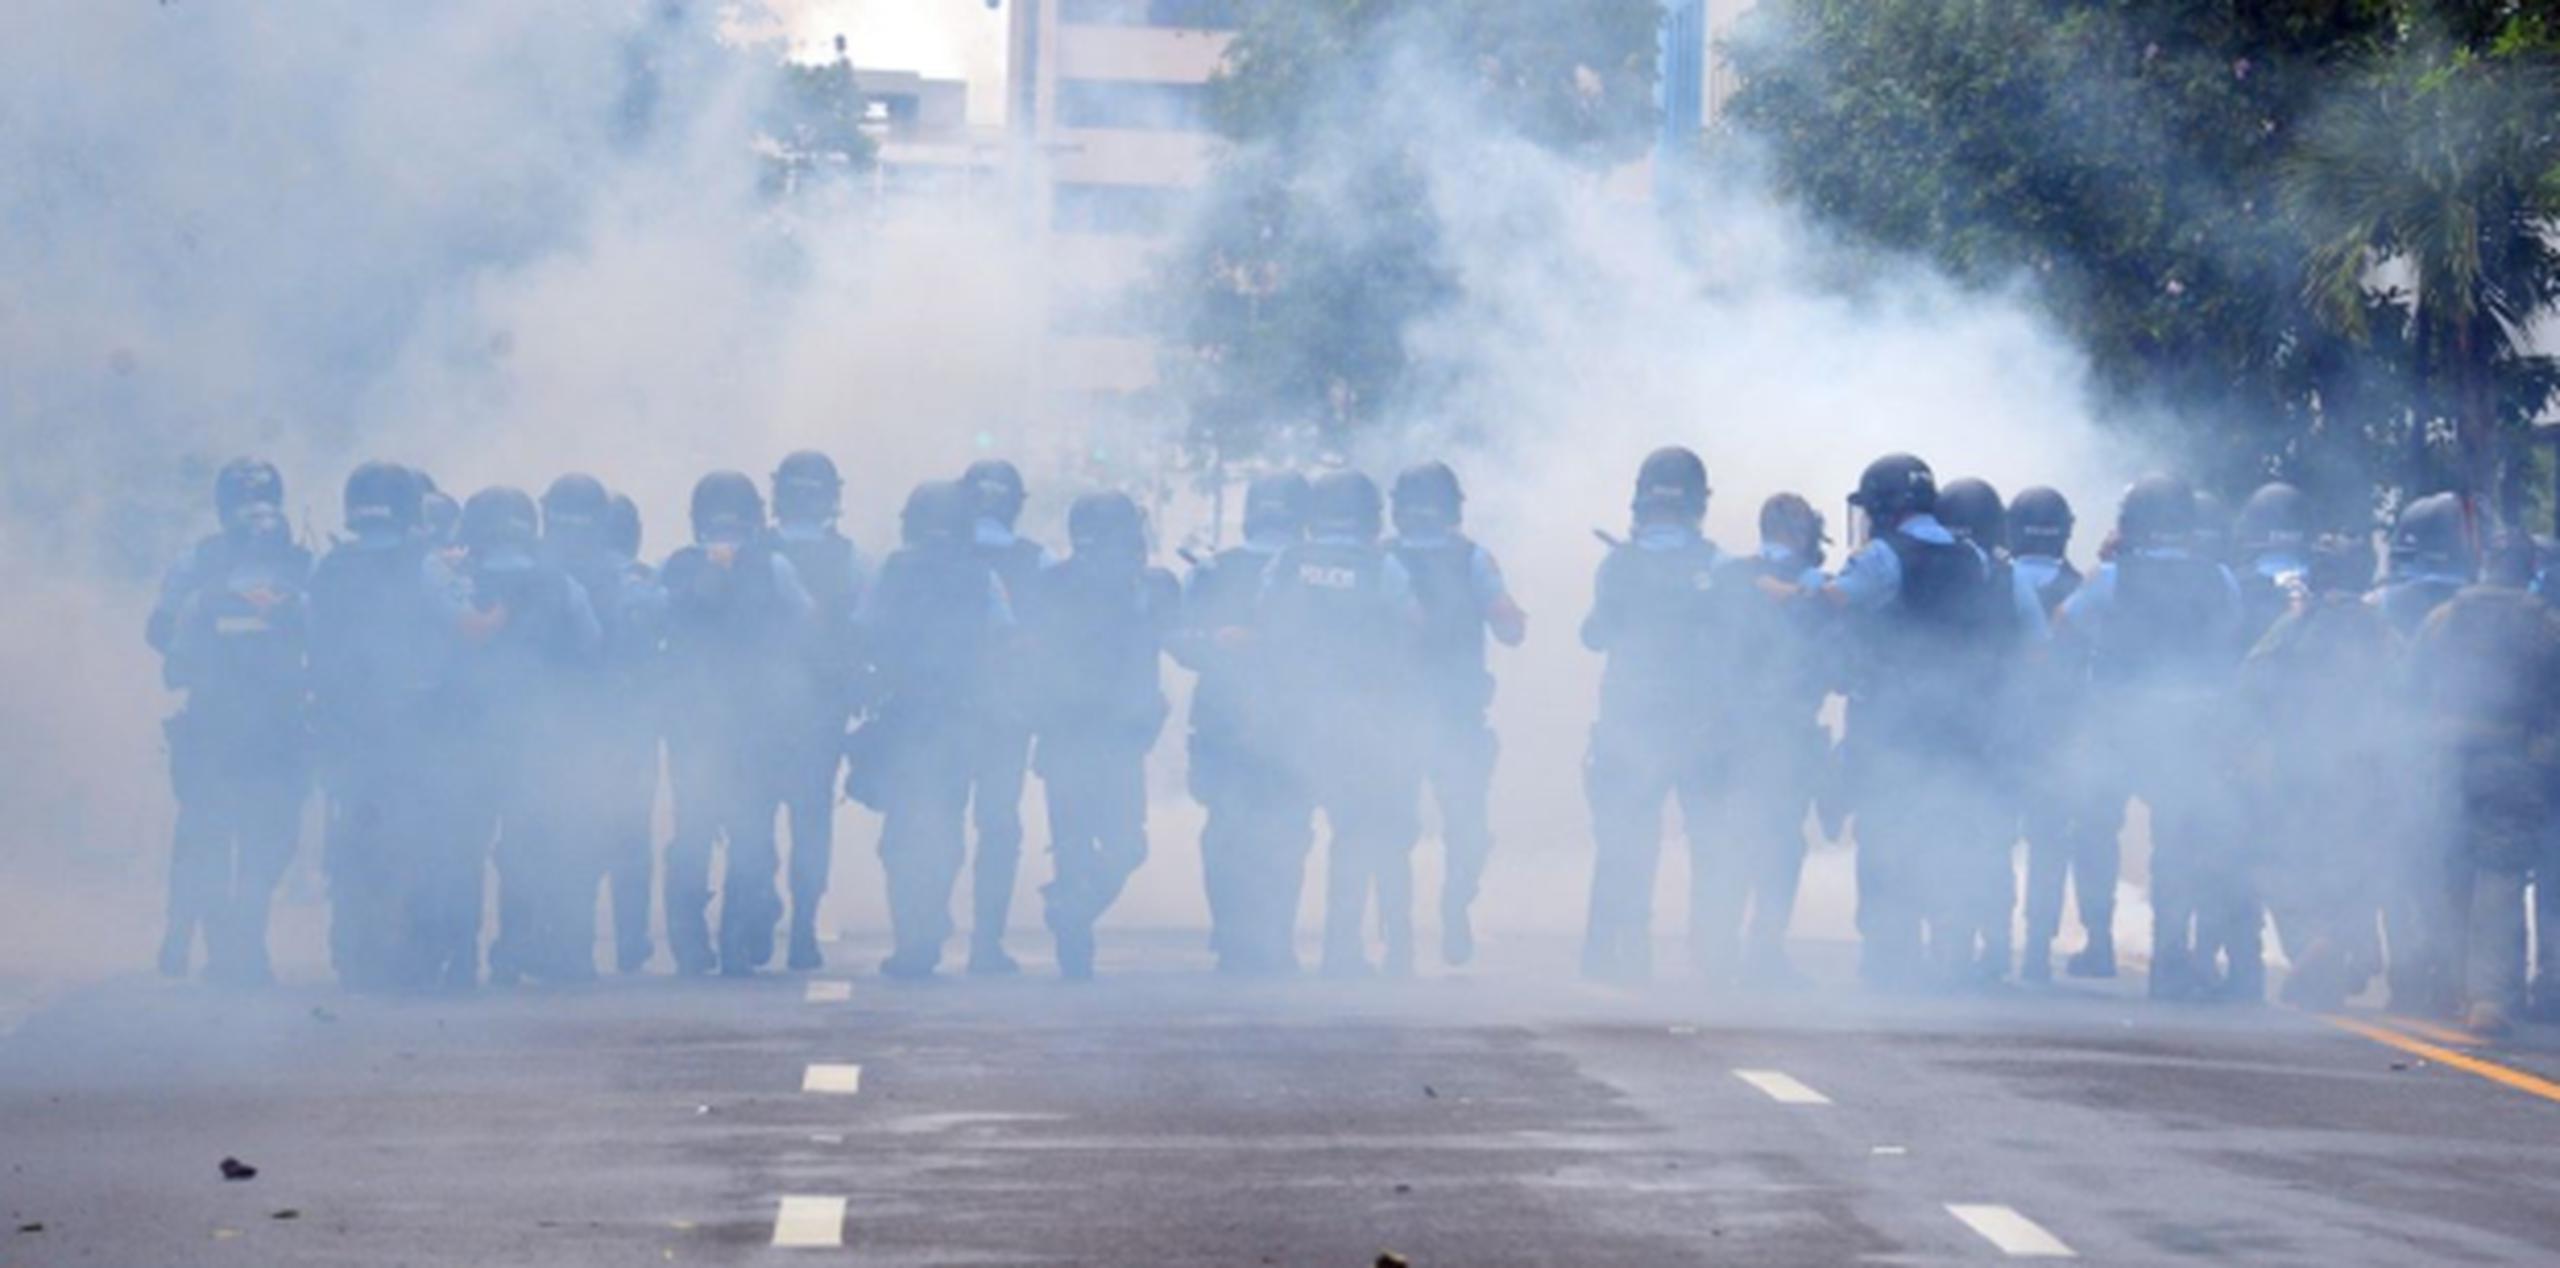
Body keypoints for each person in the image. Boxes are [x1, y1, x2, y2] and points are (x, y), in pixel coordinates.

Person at [2057, 475, 2245, 1001]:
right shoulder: (2220, 578)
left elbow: (2063, 628)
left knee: (2095, 829)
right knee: (2177, 841)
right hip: (2190, 724)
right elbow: (2230, 636)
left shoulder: (2112, 578)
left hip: (2118, 720)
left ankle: (2098, 944)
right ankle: (2169, 956)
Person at [147, 459, 312, 986]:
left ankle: (215, 945)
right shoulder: (298, 564)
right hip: (265, 725)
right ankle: (232, 948)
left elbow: (159, 634)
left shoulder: (204, 566)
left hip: (227, 723)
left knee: (213, 836)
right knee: (255, 840)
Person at [307, 463, 469, 990]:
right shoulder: (426, 568)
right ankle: (419, 960)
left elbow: (310, 635)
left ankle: (354, 954)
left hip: (346, 730)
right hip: (417, 731)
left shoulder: (329, 568)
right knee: (427, 843)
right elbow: (464, 626)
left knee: (352, 841)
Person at [1261, 469, 1423, 977]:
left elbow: (1264, 616)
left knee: (1284, 835)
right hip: (1356, 722)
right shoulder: (1382, 567)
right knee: (1354, 836)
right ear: (1372, 516)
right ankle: (1340, 951)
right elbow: (1414, 625)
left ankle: (1270, 948)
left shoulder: (1287, 560)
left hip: (1289, 719)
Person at [852, 480, 1011, 979]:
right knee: (946, 824)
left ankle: (912, 940)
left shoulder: (891, 571)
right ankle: (933, 916)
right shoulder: (982, 577)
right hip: (960, 719)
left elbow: (865, 628)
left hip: (904, 716)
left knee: (900, 833)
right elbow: (1003, 635)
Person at [1580, 448, 1726, 983]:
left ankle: (1615, 955)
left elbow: (1593, 634)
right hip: (1700, 725)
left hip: (1631, 722)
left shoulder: (1619, 564)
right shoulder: (1717, 565)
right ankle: (1712, 957)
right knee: (1711, 846)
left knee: (1624, 845)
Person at [1021, 491, 1180, 979]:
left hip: (1101, 736)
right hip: (1094, 736)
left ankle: (1073, 919)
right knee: (1119, 844)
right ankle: (1075, 931)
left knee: (1088, 845)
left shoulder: (1058, 584)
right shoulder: (1145, 586)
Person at [2407, 531, 2560, 1035]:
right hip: (2511, 764)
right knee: (2501, 875)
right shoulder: (2546, 626)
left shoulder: (2443, 619)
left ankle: (2448, 985)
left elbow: (2406, 688)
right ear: (2529, 567)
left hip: (2444, 764)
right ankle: (2490, 997)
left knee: (2450, 870)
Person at [660, 472, 813, 976]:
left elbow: (661, 626)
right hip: (752, 722)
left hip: (697, 722)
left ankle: (690, 944)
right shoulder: (774, 568)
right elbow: (805, 627)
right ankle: (737, 941)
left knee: (694, 830)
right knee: (750, 830)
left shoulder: (677, 567)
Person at [2239, 531, 2397, 1010]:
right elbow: (2409, 687)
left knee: (2286, 863)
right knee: (2354, 860)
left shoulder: (2297, 622)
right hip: (2365, 765)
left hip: (2300, 764)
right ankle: (2347, 945)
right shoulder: (2379, 625)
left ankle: (2315, 944)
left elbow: (2250, 677)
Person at [1169, 472, 1315, 974]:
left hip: (1223, 720)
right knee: (1287, 833)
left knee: (1226, 831)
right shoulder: (1313, 570)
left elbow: (1180, 643)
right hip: (1290, 721)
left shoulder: (1210, 572)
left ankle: (1232, 936)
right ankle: (1274, 939)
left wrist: (1215, 643)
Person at [456, 487, 601, 986]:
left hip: (466, 739)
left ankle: (458, 955)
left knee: (462, 849)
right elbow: (590, 646)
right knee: (525, 849)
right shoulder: (559, 584)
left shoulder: (454, 582)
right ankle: (512, 951)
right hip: (538, 739)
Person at [1386, 462, 1527, 968]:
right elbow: (1511, 628)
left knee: (1388, 831)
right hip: (1457, 717)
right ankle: (1454, 904)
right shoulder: (1473, 560)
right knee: (1467, 826)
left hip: (1390, 719)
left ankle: (1397, 936)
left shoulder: (1379, 559)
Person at [1700, 493, 1833, 986]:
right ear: (1801, 533)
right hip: (1787, 732)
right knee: (1780, 843)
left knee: (1728, 834)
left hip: (1725, 729)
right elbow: (1836, 657)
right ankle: (1765, 948)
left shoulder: (1725, 574)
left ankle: (1718, 947)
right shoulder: (1815, 586)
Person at [542, 476, 667, 974]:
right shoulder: (637, 578)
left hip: (563, 721)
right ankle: (630, 940)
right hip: (626, 720)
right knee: (631, 831)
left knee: (570, 829)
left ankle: (572, 944)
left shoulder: (543, 575)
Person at [1931, 477, 2048, 984]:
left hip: (1940, 726)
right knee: (1993, 841)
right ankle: (1995, 946)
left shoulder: (1927, 567)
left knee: (1939, 835)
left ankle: (1945, 947)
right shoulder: (2010, 577)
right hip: (1996, 727)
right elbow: (2040, 648)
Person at [2369, 491, 2480, 1014]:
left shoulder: (2382, 605)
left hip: (2399, 759)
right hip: (2469, 763)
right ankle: (2452, 981)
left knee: (2399, 868)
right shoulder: (2482, 604)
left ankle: (2407, 981)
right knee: (2458, 875)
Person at [767, 452, 870, 969]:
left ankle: (755, 910)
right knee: (810, 818)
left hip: (753, 708)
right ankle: (802, 922)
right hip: (821, 708)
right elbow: (869, 627)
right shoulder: (850, 557)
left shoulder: (750, 553)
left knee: (752, 812)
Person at [2007, 486, 2110, 982]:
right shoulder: (2084, 586)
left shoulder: (1996, 579)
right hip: (2063, 733)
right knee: (2054, 842)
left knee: (1991, 837)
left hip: (2002, 729)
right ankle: (2038, 949)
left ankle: (1985, 942)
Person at [960, 458, 1048, 974]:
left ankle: (919, 937)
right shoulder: (1037, 560)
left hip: (941, 713)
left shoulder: (923, 558)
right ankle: (984, 944)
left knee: (934, 821)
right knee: (998, 826)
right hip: (1006, 716)